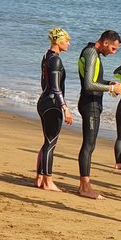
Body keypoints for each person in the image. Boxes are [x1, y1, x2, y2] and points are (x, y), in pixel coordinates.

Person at [77, 30, 121, 198]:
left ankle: (85, 185)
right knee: (88, 145)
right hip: (90, 105)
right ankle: (84, 187)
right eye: (113, 48)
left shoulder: (92, 52)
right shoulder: (91, 54)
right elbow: (89, 84)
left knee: (90, 145)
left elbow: (94, 80)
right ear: (105, 43)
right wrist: (111, 88)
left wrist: (108, 83)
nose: (113, 52)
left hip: (91, 103)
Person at [35, 28, 73, 191]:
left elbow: (45, 84)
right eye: (67, 40)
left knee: (46, 142)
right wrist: (65, 107)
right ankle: (48, 181)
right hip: (52, 104)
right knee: (51, 143)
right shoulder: (56, 60)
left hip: (44, 102)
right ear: (59, 41)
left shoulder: (46, 57)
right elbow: (56, 88)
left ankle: (39, 177)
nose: (69, 44)